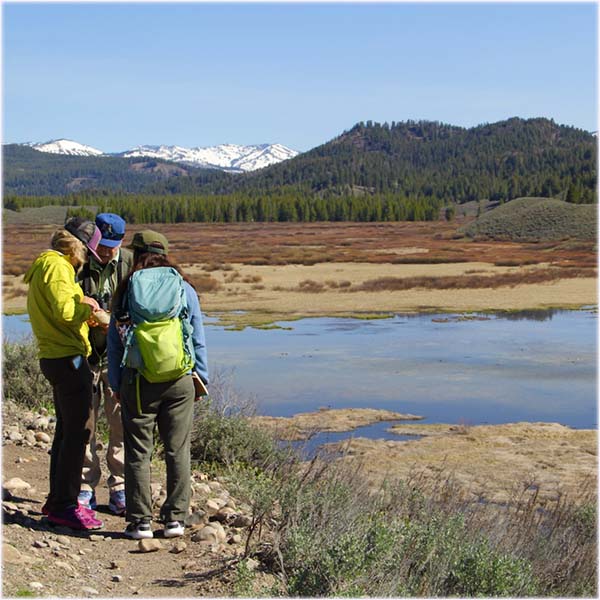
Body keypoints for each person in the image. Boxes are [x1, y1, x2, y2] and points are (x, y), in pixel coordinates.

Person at [107, 230, 209, 540]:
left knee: (139, 453)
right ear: (164, 252)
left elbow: (114, 344)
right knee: (177, 451)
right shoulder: (183, 287)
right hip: (180, 380)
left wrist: (116, 384)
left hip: (138, 382)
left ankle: (140, 523)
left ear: (136, 254)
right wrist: (201, 377)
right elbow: (198, 336)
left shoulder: (125, 292)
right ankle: (175, 520)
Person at [24, 217, 109, 530]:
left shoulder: (45, 266)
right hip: (68, 359)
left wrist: (82, 307)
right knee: (78, 434)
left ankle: (58, 500)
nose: (86, 258)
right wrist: (91, 310)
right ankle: (65, 506)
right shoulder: (58, 267)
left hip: (56, 356)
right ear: (77, 246)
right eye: (87, 251)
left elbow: (60, 311)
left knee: (66, 432)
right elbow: (65, 311)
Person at [77, 213, 134, 515]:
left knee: (119, 422)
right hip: (85, 355)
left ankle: (120, 486)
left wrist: (111, 320)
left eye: (113, 245)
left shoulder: (129, 265)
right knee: (85, 423)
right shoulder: (79, 263)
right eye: (103, 245)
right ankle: (86, 485)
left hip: (118, 358)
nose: (107, 251)